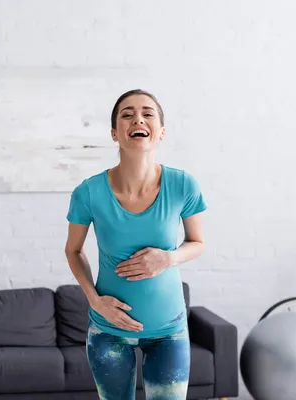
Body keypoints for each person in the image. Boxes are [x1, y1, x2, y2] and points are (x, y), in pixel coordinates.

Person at [64, 89, 207, 400]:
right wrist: (94, 299)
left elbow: (197, 243)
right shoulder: (88, 192)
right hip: (108, 332)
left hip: (169, 331)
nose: (138, 119)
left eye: (147, 113)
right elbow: (73, 251)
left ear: (161, 132)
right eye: (127, 114)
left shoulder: (183, 185)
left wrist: (168, 259)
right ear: (115, 133)